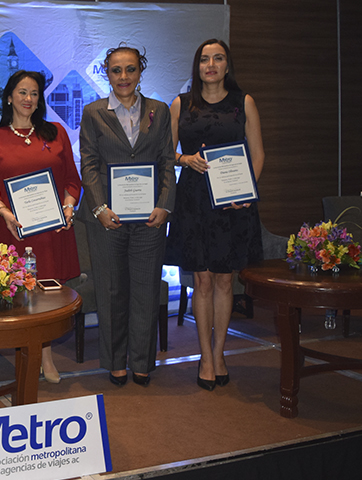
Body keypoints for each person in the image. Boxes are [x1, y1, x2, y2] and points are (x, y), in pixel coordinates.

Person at [164, 39, 265, 391]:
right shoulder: (181, 103)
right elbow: (166, 153)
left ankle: (220, 353)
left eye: (218, 58)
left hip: (233, 203)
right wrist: (185, 159)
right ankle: (205, 357)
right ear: (197, 66)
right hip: (194, 201)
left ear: (226, 65)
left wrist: (246, 192)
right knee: (202, 281)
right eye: (205, 59)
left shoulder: (243, 102)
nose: (211, 65)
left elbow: (257, 154)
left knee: (224, 280)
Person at [78, 45, 176, 387]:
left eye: (130, 69)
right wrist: (99, 208)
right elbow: (89, 164)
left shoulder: (159, 111)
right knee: (112, 292)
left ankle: (142, 361)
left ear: (140, 71)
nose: (123, 77)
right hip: (107, 218)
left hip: (150, 218)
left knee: (146, 290)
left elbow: (167, 161)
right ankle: (116, 361)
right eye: (116, 70)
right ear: (107, 73)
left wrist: (164, 205)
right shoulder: (93, 112)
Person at [0, 70, 82, 384]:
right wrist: (4, 213)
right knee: (19, 296)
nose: (28, 98)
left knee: (48, 298)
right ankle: (28, 355)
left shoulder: (56, 132)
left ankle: (45, 355)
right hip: (15, 231)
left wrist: (68, 207)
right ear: (9, 97)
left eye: (35, 93)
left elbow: (72, 181)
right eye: (22, 92)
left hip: (52, 231)